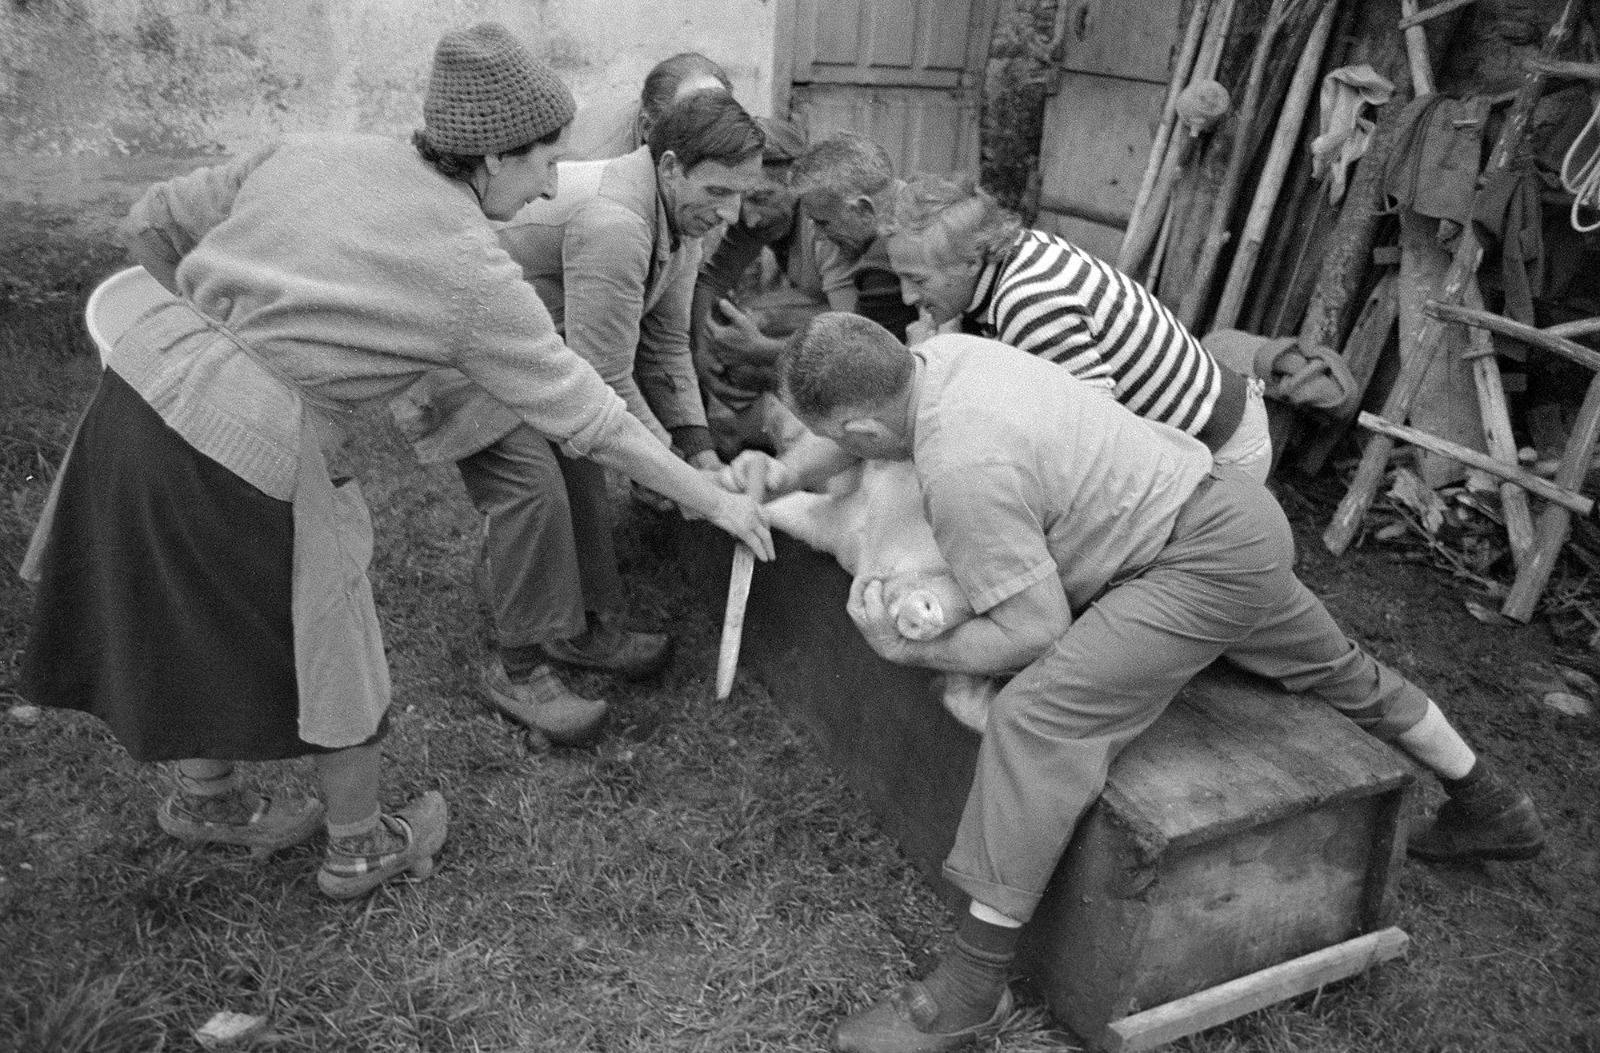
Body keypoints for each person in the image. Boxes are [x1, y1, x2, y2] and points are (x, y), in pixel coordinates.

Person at [17, 22, 772, 902]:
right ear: (491, 156)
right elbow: (587, 412)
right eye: (539, 162)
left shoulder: (314, 149)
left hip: (136, 386)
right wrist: (712, 501)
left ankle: (209, 799)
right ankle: (360, 844)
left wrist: (219, 326)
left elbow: (151, 221)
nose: (545, 188)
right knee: (338, 637)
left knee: (188, 604)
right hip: (254, 442)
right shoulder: (468, 268)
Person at [724, 313, 1544, 1053]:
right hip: (1234, 515)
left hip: (1186, 564)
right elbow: (853, 440)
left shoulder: (961, 467)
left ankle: (969, 992)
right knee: (1343, 671)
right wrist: (786, 474)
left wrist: (903, 653)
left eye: (840, 436)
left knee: (1037, 718)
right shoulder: (944, 356)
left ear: (867, 421)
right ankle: (1492, 801)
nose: (841, 450)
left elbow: (1034, 628)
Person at [394, 89, 766, 725]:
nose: (732, 213)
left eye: (742, 194)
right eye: (719, 191)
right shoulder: (618, 223)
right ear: (672, 166)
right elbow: (606, 381)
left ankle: (578, 629)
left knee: (582, 472)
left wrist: (696, 450)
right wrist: (683, 479)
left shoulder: (683, 216)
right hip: (448, 347)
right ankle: (518, 668)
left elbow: (667, 345)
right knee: (530, 487)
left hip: (524, 349)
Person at [884, 173, 1274, 481]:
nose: (906, 298)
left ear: (971, 262)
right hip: (1210, 425)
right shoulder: (1014, 250)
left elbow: (1092, 433)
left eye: (918, 281)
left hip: (1218, 454)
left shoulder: (1028, 304)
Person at [691, 116, 852, 457]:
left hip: (853, 334)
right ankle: (759, 435)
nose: (748, 218)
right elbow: (712, 280)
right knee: (721, 327)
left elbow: (850, 334)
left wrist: (764, 350)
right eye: (739, 199)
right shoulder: (754, 221)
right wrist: (701, 350)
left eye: (762, 198)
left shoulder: (822, 226)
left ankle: (814, 447)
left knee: (754, 327)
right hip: (822, 326)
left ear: (796, 183)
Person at [785, 132, 919, 343]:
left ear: (864, 209)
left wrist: (759, 348)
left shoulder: (888, 254)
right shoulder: (899, 202)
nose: (819, 237)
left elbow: (861, 348)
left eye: (823, 223)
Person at [569, 51, 733, 161]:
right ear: (648, 128)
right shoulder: (596, 164)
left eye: (719, 120)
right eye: (696, 128)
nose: (714, 139)